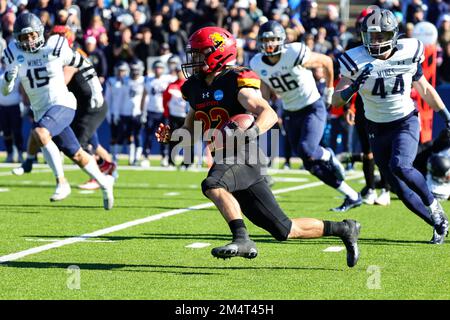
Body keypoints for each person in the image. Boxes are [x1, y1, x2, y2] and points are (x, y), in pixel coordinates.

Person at [156, 26, 361, 267]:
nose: (194, 60)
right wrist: (174, 137)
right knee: (284, 229)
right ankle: (345, 228)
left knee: (212, 184)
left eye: (200, 54)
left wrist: (249, 133)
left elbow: (268, 113)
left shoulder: (236, 80)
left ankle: (242, 239)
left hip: (244, 155)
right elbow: (193, 131)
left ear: (218, 53)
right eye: (194, 54)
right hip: (227, 158)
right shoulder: (193, 88)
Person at [332, 8, 449, 244]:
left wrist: (445, 113)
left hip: (404, 121)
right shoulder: (354, 59)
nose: (375, 42)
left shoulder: (408, 51)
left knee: (401, 165)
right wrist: (352, 88)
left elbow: (424, 88)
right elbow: (335, 99)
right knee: (398, 187)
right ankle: (438, 223)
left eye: (381, 36)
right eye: (371, 36)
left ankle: (434, 205)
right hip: (376, 127)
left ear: (393, 35)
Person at [1, 12, 114, 209]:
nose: (29, 41)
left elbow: (83, 64)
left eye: (32, 35)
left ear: (40, 33)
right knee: (77, 154)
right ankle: (105, 182)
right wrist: (7, 79)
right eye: (24, 37)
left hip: (62, 103)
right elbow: (5, 90)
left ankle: (61, 182)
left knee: (40, 133)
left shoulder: (55, 46)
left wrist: (97, 90)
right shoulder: (13, 52)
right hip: (42, 110)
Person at [250, 20, 362, 212]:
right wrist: (263, 108)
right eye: (266, 40)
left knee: (307, 148)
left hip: (312, 106)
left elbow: (326, 61)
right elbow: (265, 88)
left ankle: (328, 155)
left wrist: (329, 90)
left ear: (282, 41)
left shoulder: (293, 53)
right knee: (309, 164)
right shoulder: (257, 62)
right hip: (290, 112)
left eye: (274, 40)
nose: (269, 44)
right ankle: (352, 195)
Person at [140, 60, 174, 167]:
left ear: (163, 69)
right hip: (151, 111)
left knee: (164, 136)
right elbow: (144, 96)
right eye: (156, 67)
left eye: (160, 68)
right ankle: (145, 156)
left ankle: (164, 156)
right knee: (149, 135)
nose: (158, 70)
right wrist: (142, 112)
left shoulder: (168, 79)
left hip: (163, 112)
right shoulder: (148, 80)